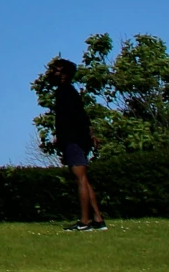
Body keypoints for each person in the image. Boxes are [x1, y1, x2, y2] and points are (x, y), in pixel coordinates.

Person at [46, 58, 106, 231]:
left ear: (64, 74)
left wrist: (64, 138)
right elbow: (83, 116)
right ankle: (98, 219)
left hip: (74, 140)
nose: (52, 73)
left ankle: (85, 221)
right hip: (78, 139)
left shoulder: (65, 92)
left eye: (55, 70)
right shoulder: (69, 92)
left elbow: (72, 119)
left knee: (79, 178)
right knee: (84, 179)